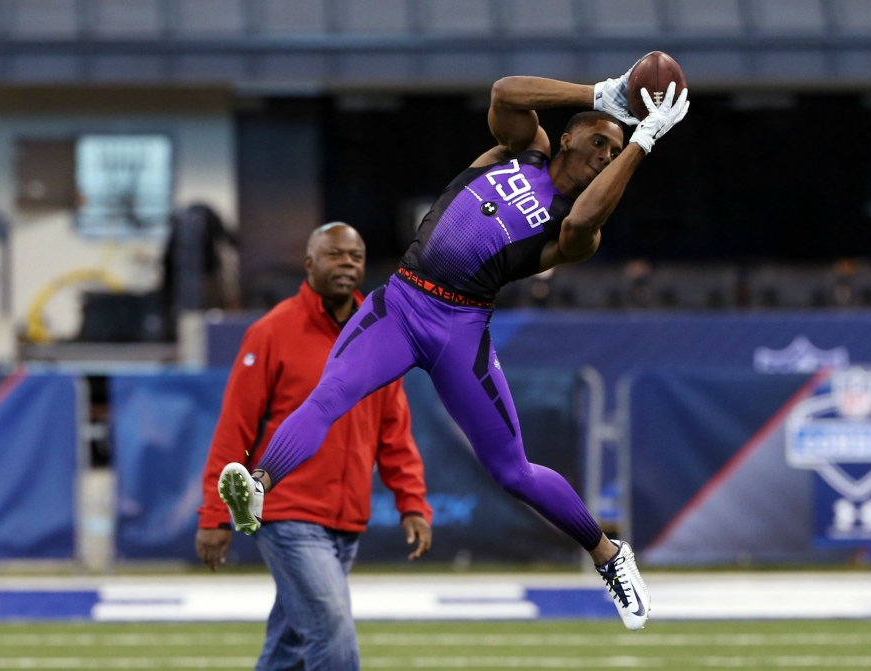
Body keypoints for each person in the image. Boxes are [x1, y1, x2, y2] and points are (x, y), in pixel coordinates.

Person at [219, 60, 689, 631]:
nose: (603, 155)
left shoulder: (577, 225)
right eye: (598, 140)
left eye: (613, 155)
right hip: (401, 303)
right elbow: (504, 92)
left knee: (513, 471)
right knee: (330, 393)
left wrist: (640, 140)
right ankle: (258, 486)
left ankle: (609, 557)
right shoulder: (525, 149)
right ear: (566, 135)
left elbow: (583, 222)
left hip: (460, 329)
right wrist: (600, 92)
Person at [199, 223, 433, 671]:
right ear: (308, 264)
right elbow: (236, 430)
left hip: (347, 517)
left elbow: (393, 429)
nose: (348, 263)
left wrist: (412, 501)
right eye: (335, 254)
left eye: (356, 256)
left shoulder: (383, 333)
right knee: (331, 632)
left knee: (290, 648)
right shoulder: (271, 332)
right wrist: (215, 513)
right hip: (285, 512)